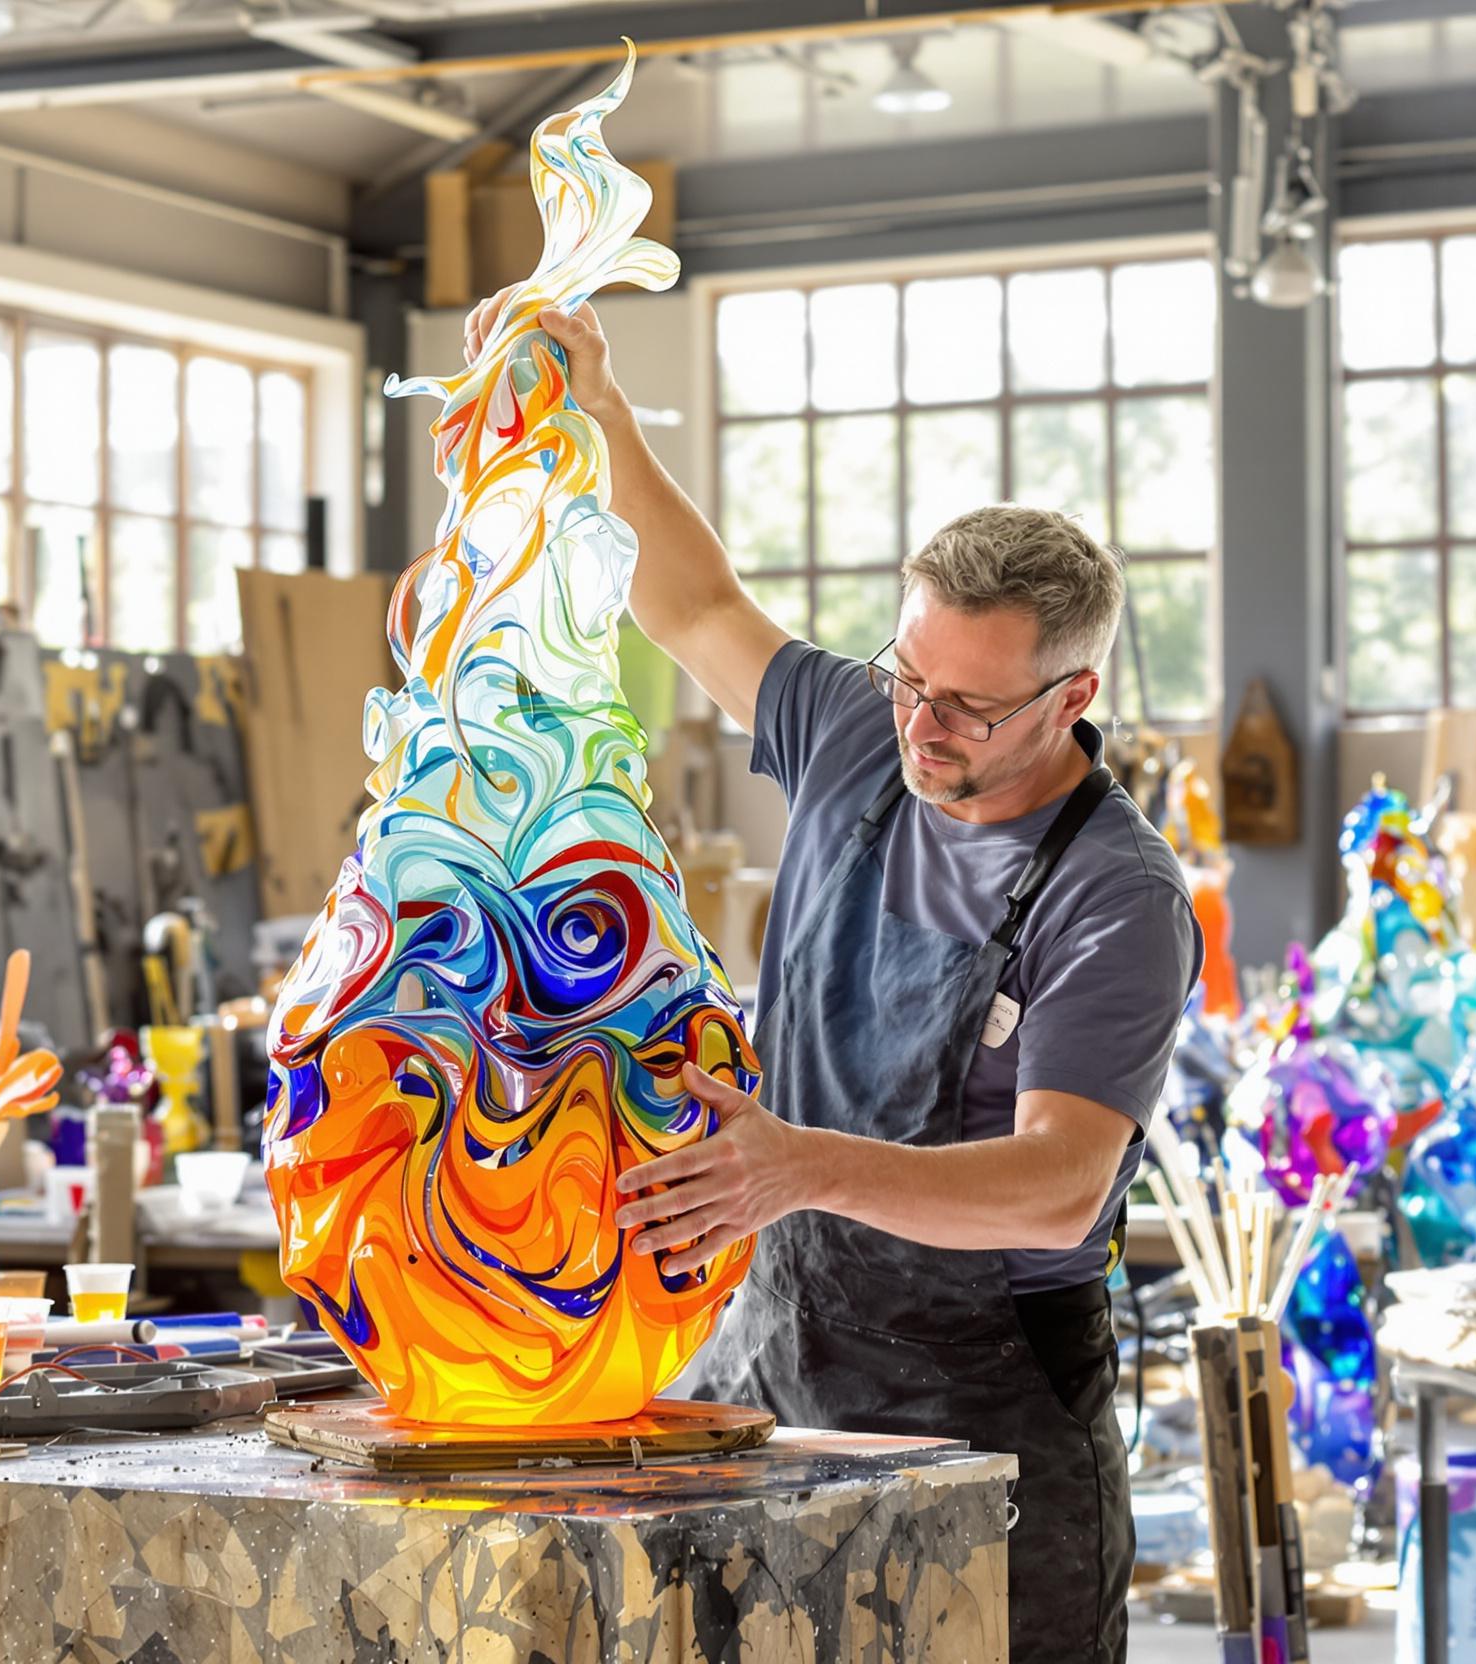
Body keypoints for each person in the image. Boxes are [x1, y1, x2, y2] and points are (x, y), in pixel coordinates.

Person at [461, 291, 1200, 1664]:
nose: (924, 726)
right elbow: (691, 602)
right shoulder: (865, 738)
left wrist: (797, 1165)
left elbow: (1059, 1180)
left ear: (1072, 696)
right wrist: (601, 407)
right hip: (776, 1371)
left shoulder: (1118, 894)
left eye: (972, 708)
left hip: (987, 1431)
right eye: (909, 676)